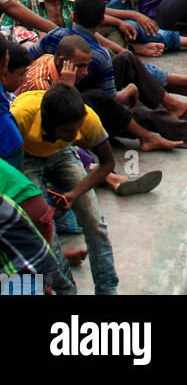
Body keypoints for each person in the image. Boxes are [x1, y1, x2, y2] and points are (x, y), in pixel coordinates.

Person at [13, 82, 119, 295]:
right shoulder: (21, 116)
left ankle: (107, 288)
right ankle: (66, 290)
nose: (77, 134)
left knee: (94, 220)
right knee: (45, 229)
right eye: (69, 130)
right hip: (24, 157)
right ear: (49, 124)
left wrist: (74, 193)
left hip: (61, 154)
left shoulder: (87, 118)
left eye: (78, 127)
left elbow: (108, 163)